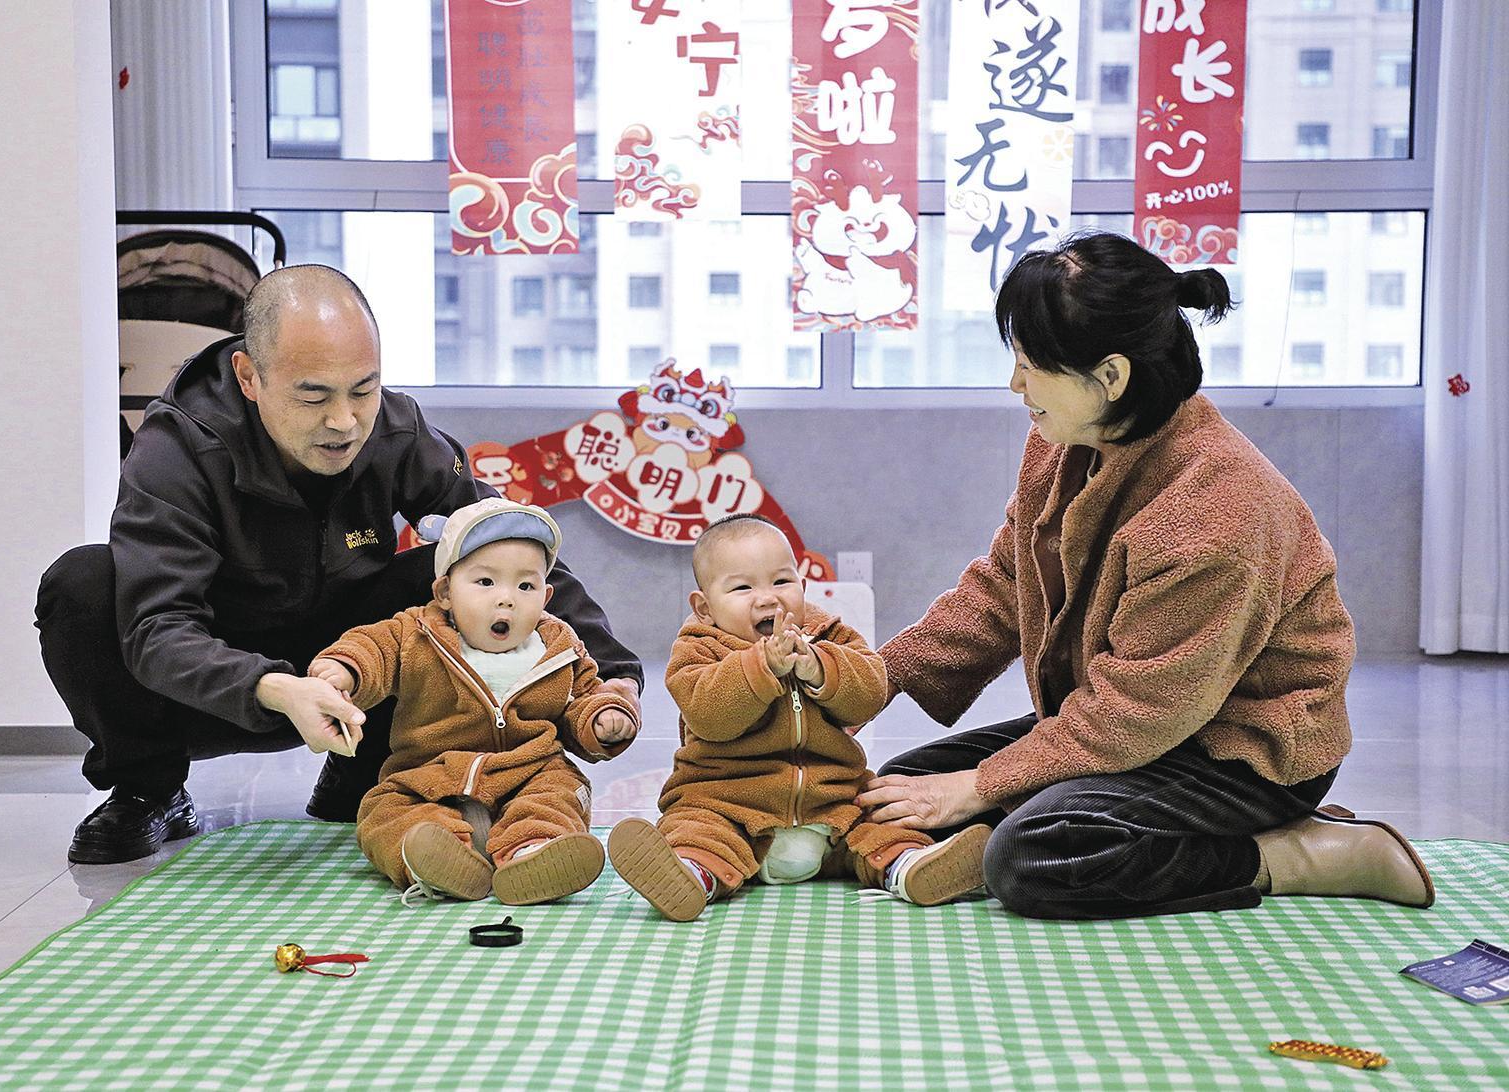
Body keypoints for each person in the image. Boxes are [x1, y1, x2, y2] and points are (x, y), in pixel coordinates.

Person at [858, 232, 1434, 920]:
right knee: (901, 789)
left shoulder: (1214, 511)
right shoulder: (1065, 442)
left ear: (1111, 377)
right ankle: (1064, 827)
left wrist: (982, 786)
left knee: (1029, 856)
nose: (1015, 385)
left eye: (1031, 366)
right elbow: (1005, 585)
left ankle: (1302, 853)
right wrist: (868, 679)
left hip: (1240, 750)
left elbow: (1141, 711)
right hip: (1132, 717)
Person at [35, 265, 641, 865]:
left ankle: (368, 773)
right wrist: (272, 687)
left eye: (363, 390)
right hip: (214, 686)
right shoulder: (178, 448)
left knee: (452, 570)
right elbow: (157, 628)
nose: (344, 422)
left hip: (354, 673)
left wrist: (615, 675)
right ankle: (148, 789)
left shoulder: (397, 432)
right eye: (313, 395)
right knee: (82, 584)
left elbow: (506, 544)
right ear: (249, 377)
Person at [608, 514, 989, 922]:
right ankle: (690, 876)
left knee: (880, 823)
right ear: (704, 607)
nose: (768, 598)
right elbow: (708, 715)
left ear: (803, 587)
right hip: (729, 804)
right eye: (742, 587)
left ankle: (911, 867)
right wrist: (761, 668)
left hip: (832, 805)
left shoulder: (830, 636)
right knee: (697, 831)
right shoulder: (698, 650)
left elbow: (870, 694)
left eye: (781, 581)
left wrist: (822, 668)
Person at [310, 498, 640, 905]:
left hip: (528, 771)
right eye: (485, 582)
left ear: (546, 596)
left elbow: (584, 695)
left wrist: (603, 716)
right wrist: (345, 669)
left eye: (526, 586)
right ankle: (434, 857)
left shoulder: (558, 647)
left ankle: (533, 851)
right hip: (431, 776)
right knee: (385, 810)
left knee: (559, 792)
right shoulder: (416, 635)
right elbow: (374, 649)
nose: (507, 599)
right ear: (445, 592)